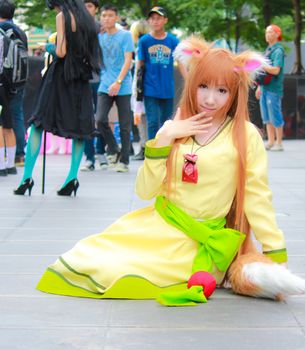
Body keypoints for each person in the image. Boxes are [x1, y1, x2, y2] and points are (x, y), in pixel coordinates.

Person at [36, 37, 288, 302]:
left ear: (235, 92)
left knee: (119, 270)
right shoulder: (176, 127)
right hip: (159, 225)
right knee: (89, 254)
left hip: (198, 241)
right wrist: (166, 137)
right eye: (203, 86)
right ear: (191, 83)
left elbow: (257, 198)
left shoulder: (245, 135)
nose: (211, 99)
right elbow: (145, 190)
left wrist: (276, 254)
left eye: (222, 91)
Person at [13, 0, 101, 196]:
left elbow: (61, 51)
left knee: (38, 122)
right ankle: (72, 178)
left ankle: (26, 178)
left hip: (61, 78)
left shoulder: (63, 16)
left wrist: (49, 47)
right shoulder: (89, 20)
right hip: (81, 79)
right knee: (79, 128)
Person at [137, 6, 187, 141]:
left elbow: (181, 61)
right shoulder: (144, 41)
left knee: (167, 122)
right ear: (148, 21)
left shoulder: (173, 40)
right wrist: (137, 86)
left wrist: (189, 80)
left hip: (167, 88)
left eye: (158, 18)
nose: (155, 21)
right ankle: (152, 152)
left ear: (165, 20)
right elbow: (140, 64)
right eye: (152, 18)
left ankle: (165, 149)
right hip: (149, 88)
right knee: (152, 122)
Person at [96, 5, 134, 173]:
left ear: (116, 18)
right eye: (104, 15)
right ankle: (113, 149)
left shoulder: (125, 36)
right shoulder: (100, 37)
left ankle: (124, 161)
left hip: (123, 85)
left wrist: (118, 82)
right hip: (105, 84)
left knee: (125, 125)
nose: (107, 18)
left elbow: (128, 61)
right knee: (100, 119)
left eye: (110, 15)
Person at [80, 0, 108, 172]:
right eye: (85, 6)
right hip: (82, 80)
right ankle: (89, 157)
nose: (87, 9)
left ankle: (101, 153)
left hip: (101, 79)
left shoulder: (103, 28)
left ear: (96, 9)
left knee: (101, 119)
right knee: (85, 119)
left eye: (90, 6)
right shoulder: (76, 27)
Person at [0, 0, 27, 167]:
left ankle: (6, 156)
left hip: (5, 81)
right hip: (20, 79)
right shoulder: (20, 31)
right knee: (17, 115)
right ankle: (19, 155)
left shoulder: (2, 31)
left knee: (4, 119)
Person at [255, 24, 285, 151]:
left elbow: (276, 70)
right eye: (266, 32)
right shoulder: (268, 50)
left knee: (275, 115)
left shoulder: (278, 51)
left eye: (270, 32)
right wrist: (259, 87)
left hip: (273, 89)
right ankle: (271, 141)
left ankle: (279, 142)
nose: (267, 34)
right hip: (265, 88)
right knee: (266, 117)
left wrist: (261, 66)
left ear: (277, 34)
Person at [130, 19, 150, 161]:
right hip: (146, 85)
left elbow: (139, 69)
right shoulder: (147, 43)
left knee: (141, 117)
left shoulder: (140, 46)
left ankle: (144, 146)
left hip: (140, 86)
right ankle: (145, 146)